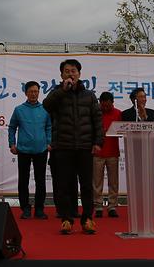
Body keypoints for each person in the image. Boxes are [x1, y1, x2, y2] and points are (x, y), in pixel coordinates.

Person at [43, 59, 103, 235]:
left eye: (74, 71)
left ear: (79, 74)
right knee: (64, 185)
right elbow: (46, 106)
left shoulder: (89, 95)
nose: (71, 74)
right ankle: (67, 219)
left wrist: (98, 142)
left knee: (86, 185)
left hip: (85, 147)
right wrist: (62, 90)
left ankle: (87, 219)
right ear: (61, 75)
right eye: (67, 71)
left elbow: (97, 120)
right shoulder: (57, 93)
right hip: (63, 146)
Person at [8, 81, 52, 219]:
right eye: (31, 91)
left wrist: (49, 142)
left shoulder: (45, 109)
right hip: (23, 150)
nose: (34, 94)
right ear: (26, 93)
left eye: (36, 91)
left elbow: (49, 127)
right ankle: (25, 209)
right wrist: (12, 144)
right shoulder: (19, 109)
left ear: (39, 92)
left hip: (41, 150)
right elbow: (12, 127)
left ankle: (39, 209)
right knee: (23, 180)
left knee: (40, 181)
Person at [121, 88, 154, 217]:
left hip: (150, 150)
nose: (144, 99)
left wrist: (145, 117)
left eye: (145, 96)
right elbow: (123, 130)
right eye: (141, 97)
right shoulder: (126, 114)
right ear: (134, 99)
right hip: (134, 151)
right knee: (136, 181)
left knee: (153, 181)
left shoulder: (151, 112)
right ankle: (138, 209)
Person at [93, 91, 122, 218]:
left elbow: (122, 131)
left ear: (112, 103)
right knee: (96, 181)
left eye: (108, 105)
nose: (105, 108)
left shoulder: (118, 113)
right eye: (103, 105)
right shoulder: (95, 113)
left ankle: (112, 206)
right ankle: (98, 205)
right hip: (97, 152)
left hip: (112, 152)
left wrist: (114, 131)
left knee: (113, 181)